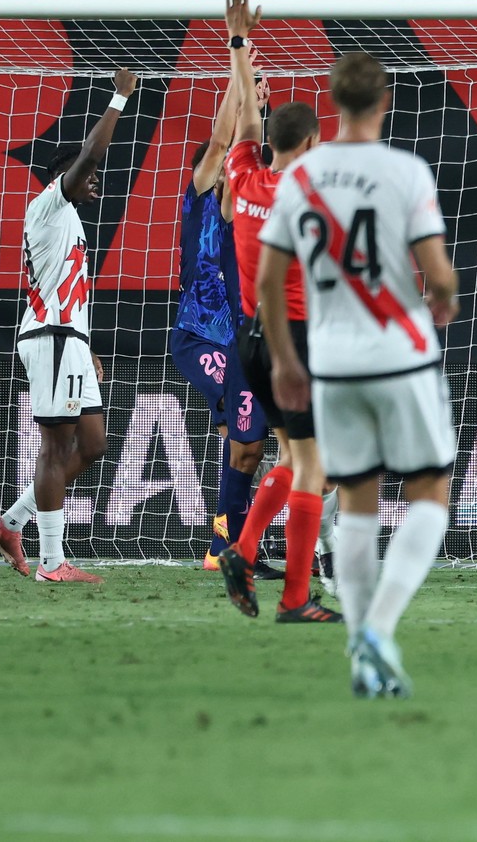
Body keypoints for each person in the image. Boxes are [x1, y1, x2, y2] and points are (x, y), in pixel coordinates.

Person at [259, 50, 459, 697]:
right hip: (400, 354)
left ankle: (359, 655)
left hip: (333, 364)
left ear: (333, 104)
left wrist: (288, 362)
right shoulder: (404, 171)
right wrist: (443, 299)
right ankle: (378, 626)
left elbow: (267, 282)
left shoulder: (302, 177)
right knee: (430, 493)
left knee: (355, 501)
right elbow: (439, 271)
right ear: (385, 101)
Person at [0, 68, 137, 583]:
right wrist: (118, 97)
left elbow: (69, 291)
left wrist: (84, 343)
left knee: (93, 445)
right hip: (48, 339)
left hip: (68, 339)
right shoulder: (48, 204)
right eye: (88, 174)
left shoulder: (70, 223)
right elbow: (91, 153)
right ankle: (51, 562)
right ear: (65, 174)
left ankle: (11, 523)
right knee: (55, 448)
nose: (96, 179)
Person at [215, 0, 337, 623]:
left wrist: (240, 46)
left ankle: (242, 546)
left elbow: (244, 129)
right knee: (313, 464)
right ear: (312, 146)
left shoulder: (245, 175)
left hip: (252, 339)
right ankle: (293, 598)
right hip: (294, 340)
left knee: (290, 456)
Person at [171, 62, 272, 572]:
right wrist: (239, 86)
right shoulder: (201, 191)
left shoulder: (254, 195)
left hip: (242, 336)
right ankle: (228, 541)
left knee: (243, 440)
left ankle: (227, 539)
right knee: (244, 436)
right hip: (197, 334)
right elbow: (218, 143)